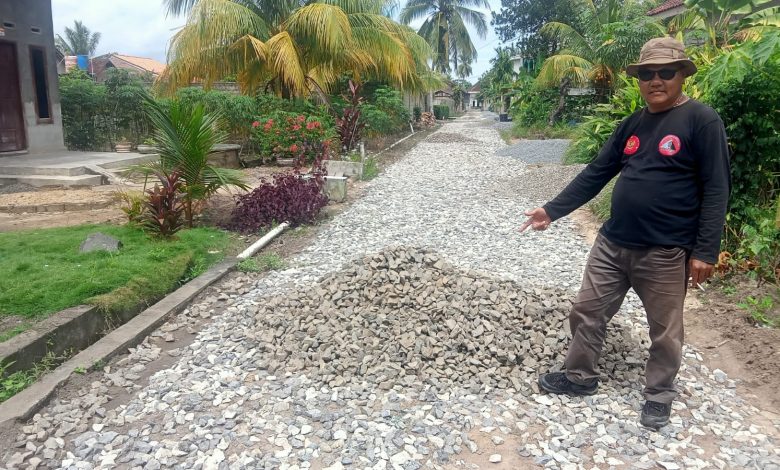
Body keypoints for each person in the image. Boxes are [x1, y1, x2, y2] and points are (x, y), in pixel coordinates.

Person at [519, 37, 731, 429]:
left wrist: (706, 250)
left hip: (665, 250)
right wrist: (552, 210)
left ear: (682, 75)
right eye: (647, 74)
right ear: (639, 79)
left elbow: (717, 188)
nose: (656, 80)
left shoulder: (702, 120)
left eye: (665, 72)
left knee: (665, 330)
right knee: (587, 310)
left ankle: (659, 395)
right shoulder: (632, 124)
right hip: (613, 243)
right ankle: (579, 376)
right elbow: (597, 172)